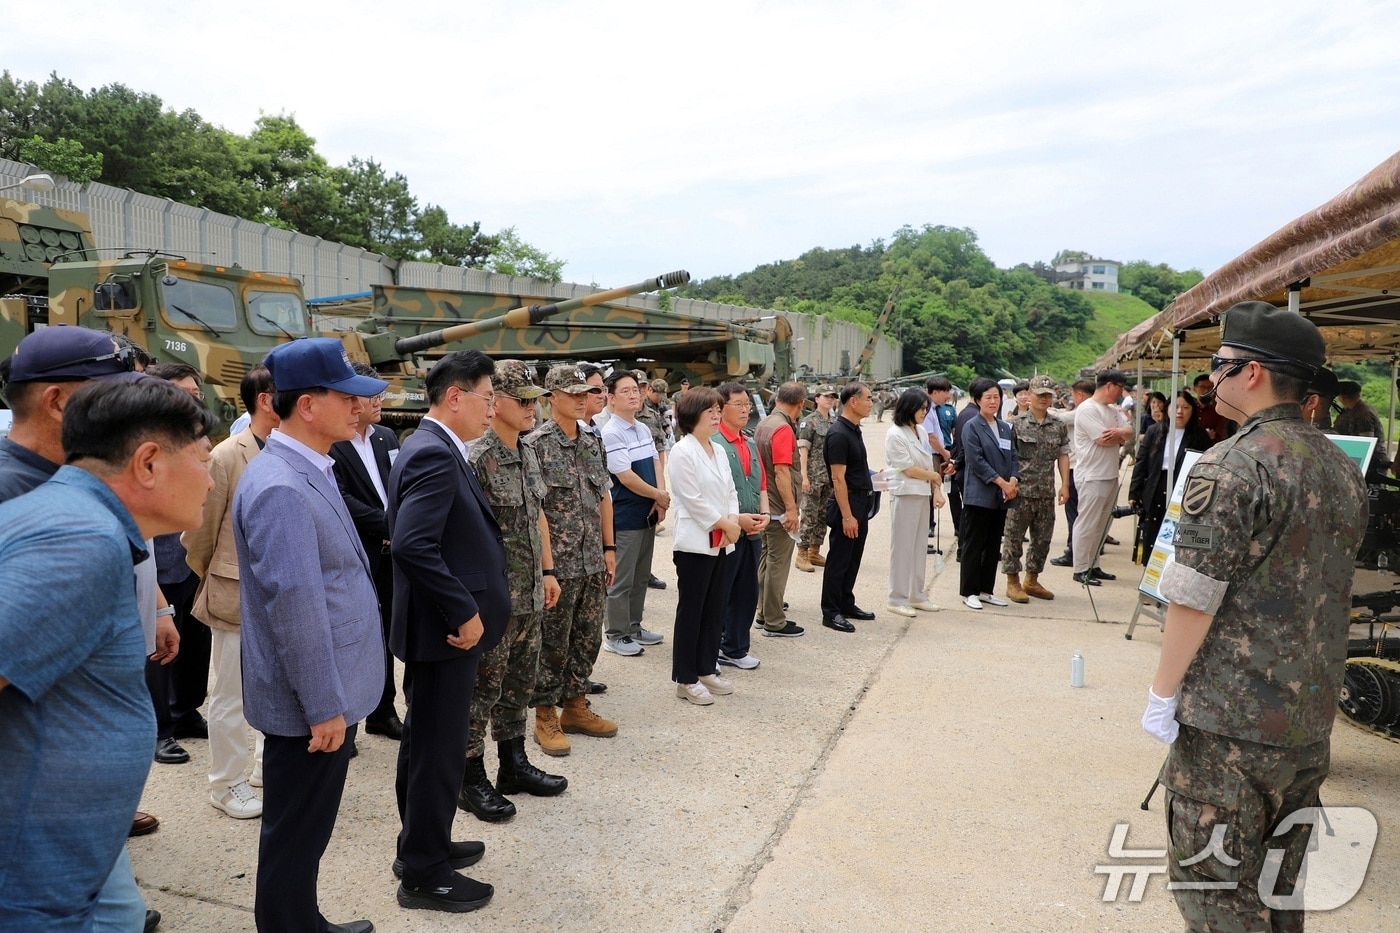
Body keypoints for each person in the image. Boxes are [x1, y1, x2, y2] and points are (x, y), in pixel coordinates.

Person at [1142, 301, 1368, 931]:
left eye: (1219, 366)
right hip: (1306, 721)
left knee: (1215, 896)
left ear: (1252, 373)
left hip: (1229, 726)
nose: (1211, 379)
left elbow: (1192, 595)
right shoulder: (1338, 467)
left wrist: (1163, 694)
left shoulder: (1233, 464)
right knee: (1278, 891)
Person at [1, 375, 215, 931]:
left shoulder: (79, 519)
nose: (212, 482)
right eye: (202, 459)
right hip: (31, 883)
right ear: (148, 462)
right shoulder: (79, 541)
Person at [233, 338, 388, 933]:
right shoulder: (281, 487)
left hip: (323, 692)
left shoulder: (306, 467)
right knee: (295, 833)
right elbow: (294, 608)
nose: (359, 408)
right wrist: (324, 706)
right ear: (305, 405)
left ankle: (301, 920)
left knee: (303, 831)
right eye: (345, 396)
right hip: (310, 704)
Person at [386, 349, 503, 913]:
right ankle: (425, 875)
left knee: (426, 744)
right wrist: (461, 609)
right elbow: (412, 544)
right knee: (437, 750)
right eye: (486, 396)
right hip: (445, 631)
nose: (494, 407)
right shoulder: (433, 452)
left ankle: (423, 845)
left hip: (438, 630)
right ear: (454, 396)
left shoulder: (433, 447)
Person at [458, 360, 566, 824]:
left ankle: (513, 763)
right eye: (522, 400)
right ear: (494, 402)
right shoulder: (476, 457)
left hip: (529, 593)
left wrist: (548, 570)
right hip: (496, 599)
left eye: (534, 399)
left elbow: (537, 515)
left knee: (519, 684)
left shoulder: (526, 451)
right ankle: (469, 775)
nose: (531, 407)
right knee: (482, 689)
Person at [183, 365, 277, 820]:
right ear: (264, 399)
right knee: (230, 694)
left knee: (270, 686)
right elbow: (199, 531)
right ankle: (226, 783)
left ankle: (259, 768)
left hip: (277, 593)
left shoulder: (288, 449)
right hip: (235, 591)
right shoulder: (226, 454)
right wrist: (217, 574)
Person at [525, 365, 617, 757]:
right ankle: (545, 713)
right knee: (552, 642)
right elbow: (536, 512)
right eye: (573, 394)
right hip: (558, 564)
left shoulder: (593, 442)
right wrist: (546, 569)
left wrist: (610, 550)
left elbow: (603, 499)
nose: (582, 400)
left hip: (592, 559)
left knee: (587, 636)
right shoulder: (535, 444)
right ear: (551, 398)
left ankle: (575, 706)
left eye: (586, 393)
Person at [329, 361, 405, 742]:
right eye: (370, 393)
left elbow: (398, 489)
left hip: (391, 556)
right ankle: (348, 722)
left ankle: (382, 710)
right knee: (354, 638)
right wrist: (391, 526)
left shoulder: (386, 437)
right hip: (358, 553)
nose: (379, 399)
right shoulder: (333, 442)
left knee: (387, 633)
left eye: (380, 392)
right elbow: (341, 500)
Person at [145, 362, 213, 765]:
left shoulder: (195, 437)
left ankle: (186, 712)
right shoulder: (150, 441)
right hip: (160, 566)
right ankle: (160, 730)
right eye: (183, 393)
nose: (193, 400)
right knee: (161, 651)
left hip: (191, 563)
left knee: (195, 646)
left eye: (196, 393)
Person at [667, 388, 746, 704]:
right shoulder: (682, 451)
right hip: (695, 543)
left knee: (715, 608)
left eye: (718, 410)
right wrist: (725, 524)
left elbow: (730, 491)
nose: (716, 416)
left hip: (723, 540)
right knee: (693, 610)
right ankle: (685, 678)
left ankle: (705, 668)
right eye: (709, 411)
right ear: (692, 415)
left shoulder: (719, 449)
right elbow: (691, 499)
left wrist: (733, 519)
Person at [601, 369, 669, 656]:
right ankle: (615, 633)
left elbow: (656, 463)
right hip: (627, 515)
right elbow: (625, 476)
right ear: (611, 398)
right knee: (622, 578)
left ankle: (633, 625)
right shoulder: (611, 432)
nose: (634, 395)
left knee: (641, 576)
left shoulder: (642, 428)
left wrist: (660, 498)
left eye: (636, 390)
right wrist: (658, 495)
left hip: (649, 511)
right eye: (626, 391)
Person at [713, 382, 771, 669]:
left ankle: (736, 647)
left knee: (747, 590)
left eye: (747, 403)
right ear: (720, 408)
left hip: (752, 529)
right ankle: (714, 646)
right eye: (738, 403)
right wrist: (739, 520)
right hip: (727, 530)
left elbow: (760, 483)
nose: (745, 408)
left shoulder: (749, 442)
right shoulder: (714, 443)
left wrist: (766, 514)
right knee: (722, 591)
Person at [1000, 375, 1070, 602]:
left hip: (1045, 492)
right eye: (1040, 395)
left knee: (1042, 539)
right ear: (1029, 396)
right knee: (1013, 538)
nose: (1044, 399)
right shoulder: (1015, 425)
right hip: (1020, 492)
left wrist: (1065, 485)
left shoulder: (1058, 425)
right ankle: (1013, 582)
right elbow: (1007, 458)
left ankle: (1031, 579)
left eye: (1048, 396)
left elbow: (1062, 455)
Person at [1127, 391, 1209, 564]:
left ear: (1192, 411)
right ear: (1167, 409)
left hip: (1182, 489)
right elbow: (1141, 462)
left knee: (1175, 534)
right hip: (1156, 485)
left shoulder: (1199, 436)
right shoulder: (1154, 431)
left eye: (1185, 407)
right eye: (1176, 407)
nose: (1180, 411)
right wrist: (1134, 492)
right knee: (1152, 533)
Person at [958, 378, 1018, 610]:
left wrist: (1013, 480)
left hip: (1002, 495)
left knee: (993, 544)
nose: (993, 401)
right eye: (988, 397)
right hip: (980, 493)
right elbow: (977, 461)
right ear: (977, 400)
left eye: (996, 396)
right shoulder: (972, 426)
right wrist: (1002, 482)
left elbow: (1013, 456)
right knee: (974, 543)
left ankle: (986, 590)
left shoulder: (1004, 426)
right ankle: (969, 591)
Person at [821, 382, 877, 631]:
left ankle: (846, 602)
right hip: (848, 504)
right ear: (852, 402)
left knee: (853, 557)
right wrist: (847, 516)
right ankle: (831, 611)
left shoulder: (854, 430)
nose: (871, 403)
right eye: (868, 398)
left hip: (860, 501)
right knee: (839, 559)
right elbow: (838, 478)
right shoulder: (839, 434)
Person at [1070, 370, 1134, 586]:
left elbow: (1130, 432)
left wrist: (1119, 433)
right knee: (1087, 523)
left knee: (1103, 524)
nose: (1120, 392)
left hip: (1110, 473)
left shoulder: (1112, 410)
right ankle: (1080, 567)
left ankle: (1093, 565)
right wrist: (1120, 434)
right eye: (1119, 387)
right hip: (1092, 474)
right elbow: (1103, 439)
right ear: (1109, 386)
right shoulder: (1087, 408)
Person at [885, 388, 944, 617]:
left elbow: (928, 465)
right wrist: (934, 477)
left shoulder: (920, 430)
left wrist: (936, 490)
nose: (924, 412)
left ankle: (916, 594)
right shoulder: (895, 434)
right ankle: (896, 597)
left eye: (926, 408)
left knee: (919, 546)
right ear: (908, 408)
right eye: (921, 408)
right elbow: (907, 468)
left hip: (922, 494)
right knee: (902, 547)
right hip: (904, 494)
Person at [756, 381, 808, 637]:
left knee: (766, 559)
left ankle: (763, 611)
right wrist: (791, 510)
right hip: (778, 508)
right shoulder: (783, 429)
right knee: (778, 563)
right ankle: (774, 621)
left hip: (766, 505)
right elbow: (781, 471)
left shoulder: (764, 423)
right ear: (800, 404)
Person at [1049, 379, 1096, 568]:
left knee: (1074, 513)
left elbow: (1061, 418)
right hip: (1089, 469)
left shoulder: (1083, 411)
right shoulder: (1098, 409)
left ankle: (1073, 551)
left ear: (1080, 395)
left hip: (1077, 467)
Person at [795, 384, 838, 572]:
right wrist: (803, 476)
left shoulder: (835, 422)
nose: (830, 399)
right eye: (826, 396)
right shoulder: (809, 422)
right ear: (817, 399)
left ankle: (814, 550)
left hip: (828, 478)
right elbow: (803, 451)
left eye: (832, 396)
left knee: (822, 515)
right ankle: (802, 553)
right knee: (808, 516)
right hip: (812, 477)